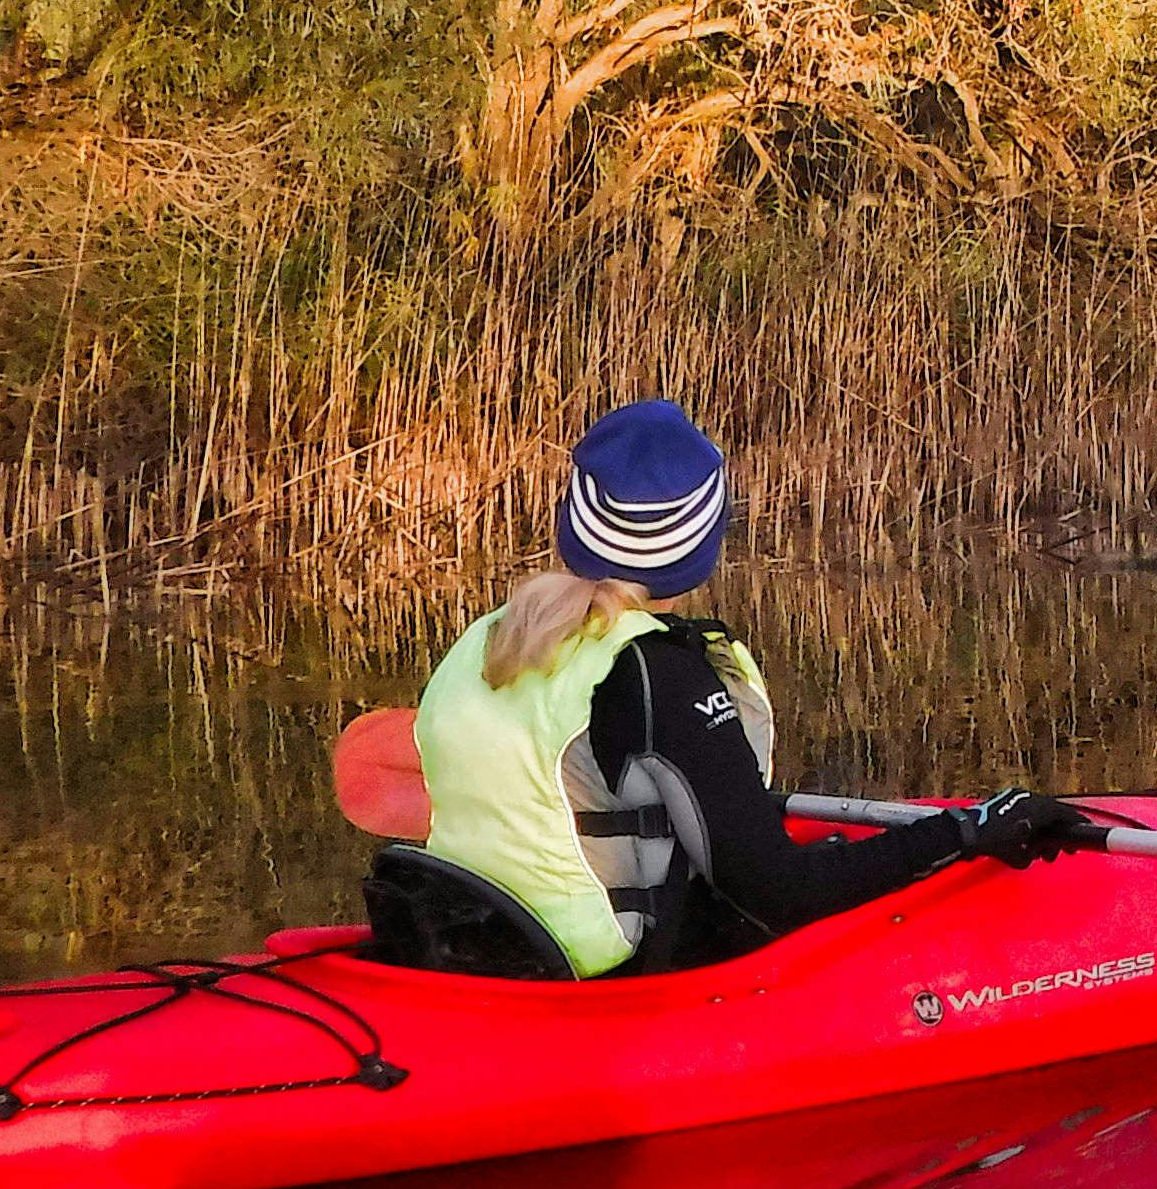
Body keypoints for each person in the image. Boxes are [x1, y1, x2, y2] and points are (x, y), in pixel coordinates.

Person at [411, 398, 1099, 978]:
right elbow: (777, 897)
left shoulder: (489, 637)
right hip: (603, 982)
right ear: (704, 540)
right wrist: (966, 831)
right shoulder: (658, 674)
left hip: (470, 948)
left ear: (578, 523)